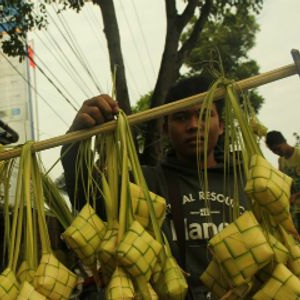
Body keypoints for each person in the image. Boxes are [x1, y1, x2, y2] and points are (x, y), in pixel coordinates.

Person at [61, 76, 247, 299]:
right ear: (166, 128)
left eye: (205, 115)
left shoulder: (248, 182)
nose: (194, 125)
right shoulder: (143, 183)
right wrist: (73, 145)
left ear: (222, 126)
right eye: (181, 117)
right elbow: (89, 198)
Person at [265, 130, 300, 230]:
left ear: (284, 141)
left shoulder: (298, 155)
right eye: (274, 151)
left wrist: (296, 195)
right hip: (294, 209)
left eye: (278, 149)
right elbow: (282, 182)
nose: (277, 153)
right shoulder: (281, 161)